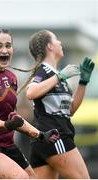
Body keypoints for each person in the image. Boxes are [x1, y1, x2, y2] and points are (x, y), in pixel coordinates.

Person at [0, 28, 60, 179]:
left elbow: (14, 118)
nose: (5, 50)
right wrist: (7, 124)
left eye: (8, 45)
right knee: (21, 178)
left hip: (6, 145)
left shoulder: (11, 77)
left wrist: (40, 135)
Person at [22, 29, 95, 179]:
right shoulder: (43, 70)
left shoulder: (57, 75)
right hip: (56, 136)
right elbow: (30, 92)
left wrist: (83, 82)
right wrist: (60, 76)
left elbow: (71, 110)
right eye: (56, 40)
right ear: (49, 46)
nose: (60, 42)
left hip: (44, 140)